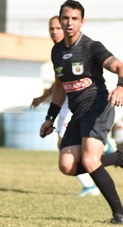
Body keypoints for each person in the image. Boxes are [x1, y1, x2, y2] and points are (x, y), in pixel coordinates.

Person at [39, 0, 123, 225]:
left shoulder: (92, 47)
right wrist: (50, 118)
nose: (69, 23)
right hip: (78, 114)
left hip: (98, 108)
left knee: (89, 159)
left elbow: (122, 68)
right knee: (66, 165)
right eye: (65, 18)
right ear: (60, 20)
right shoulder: (57, 52)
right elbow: (59, 87)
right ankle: (119, 157)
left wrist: (121, 87)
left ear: (82, 22)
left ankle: (121, 215)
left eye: (74, 18)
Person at [31, 16, 100, 197]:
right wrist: (42, 98)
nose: (54, 32)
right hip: (64, 104)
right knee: (63, 144)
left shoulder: (75, 49)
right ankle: (92, 177)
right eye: (51, 29)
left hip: (74, 104)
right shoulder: (57, 52)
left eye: (57, 28)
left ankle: (91, 182)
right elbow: (59, 83)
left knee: (64, 144)